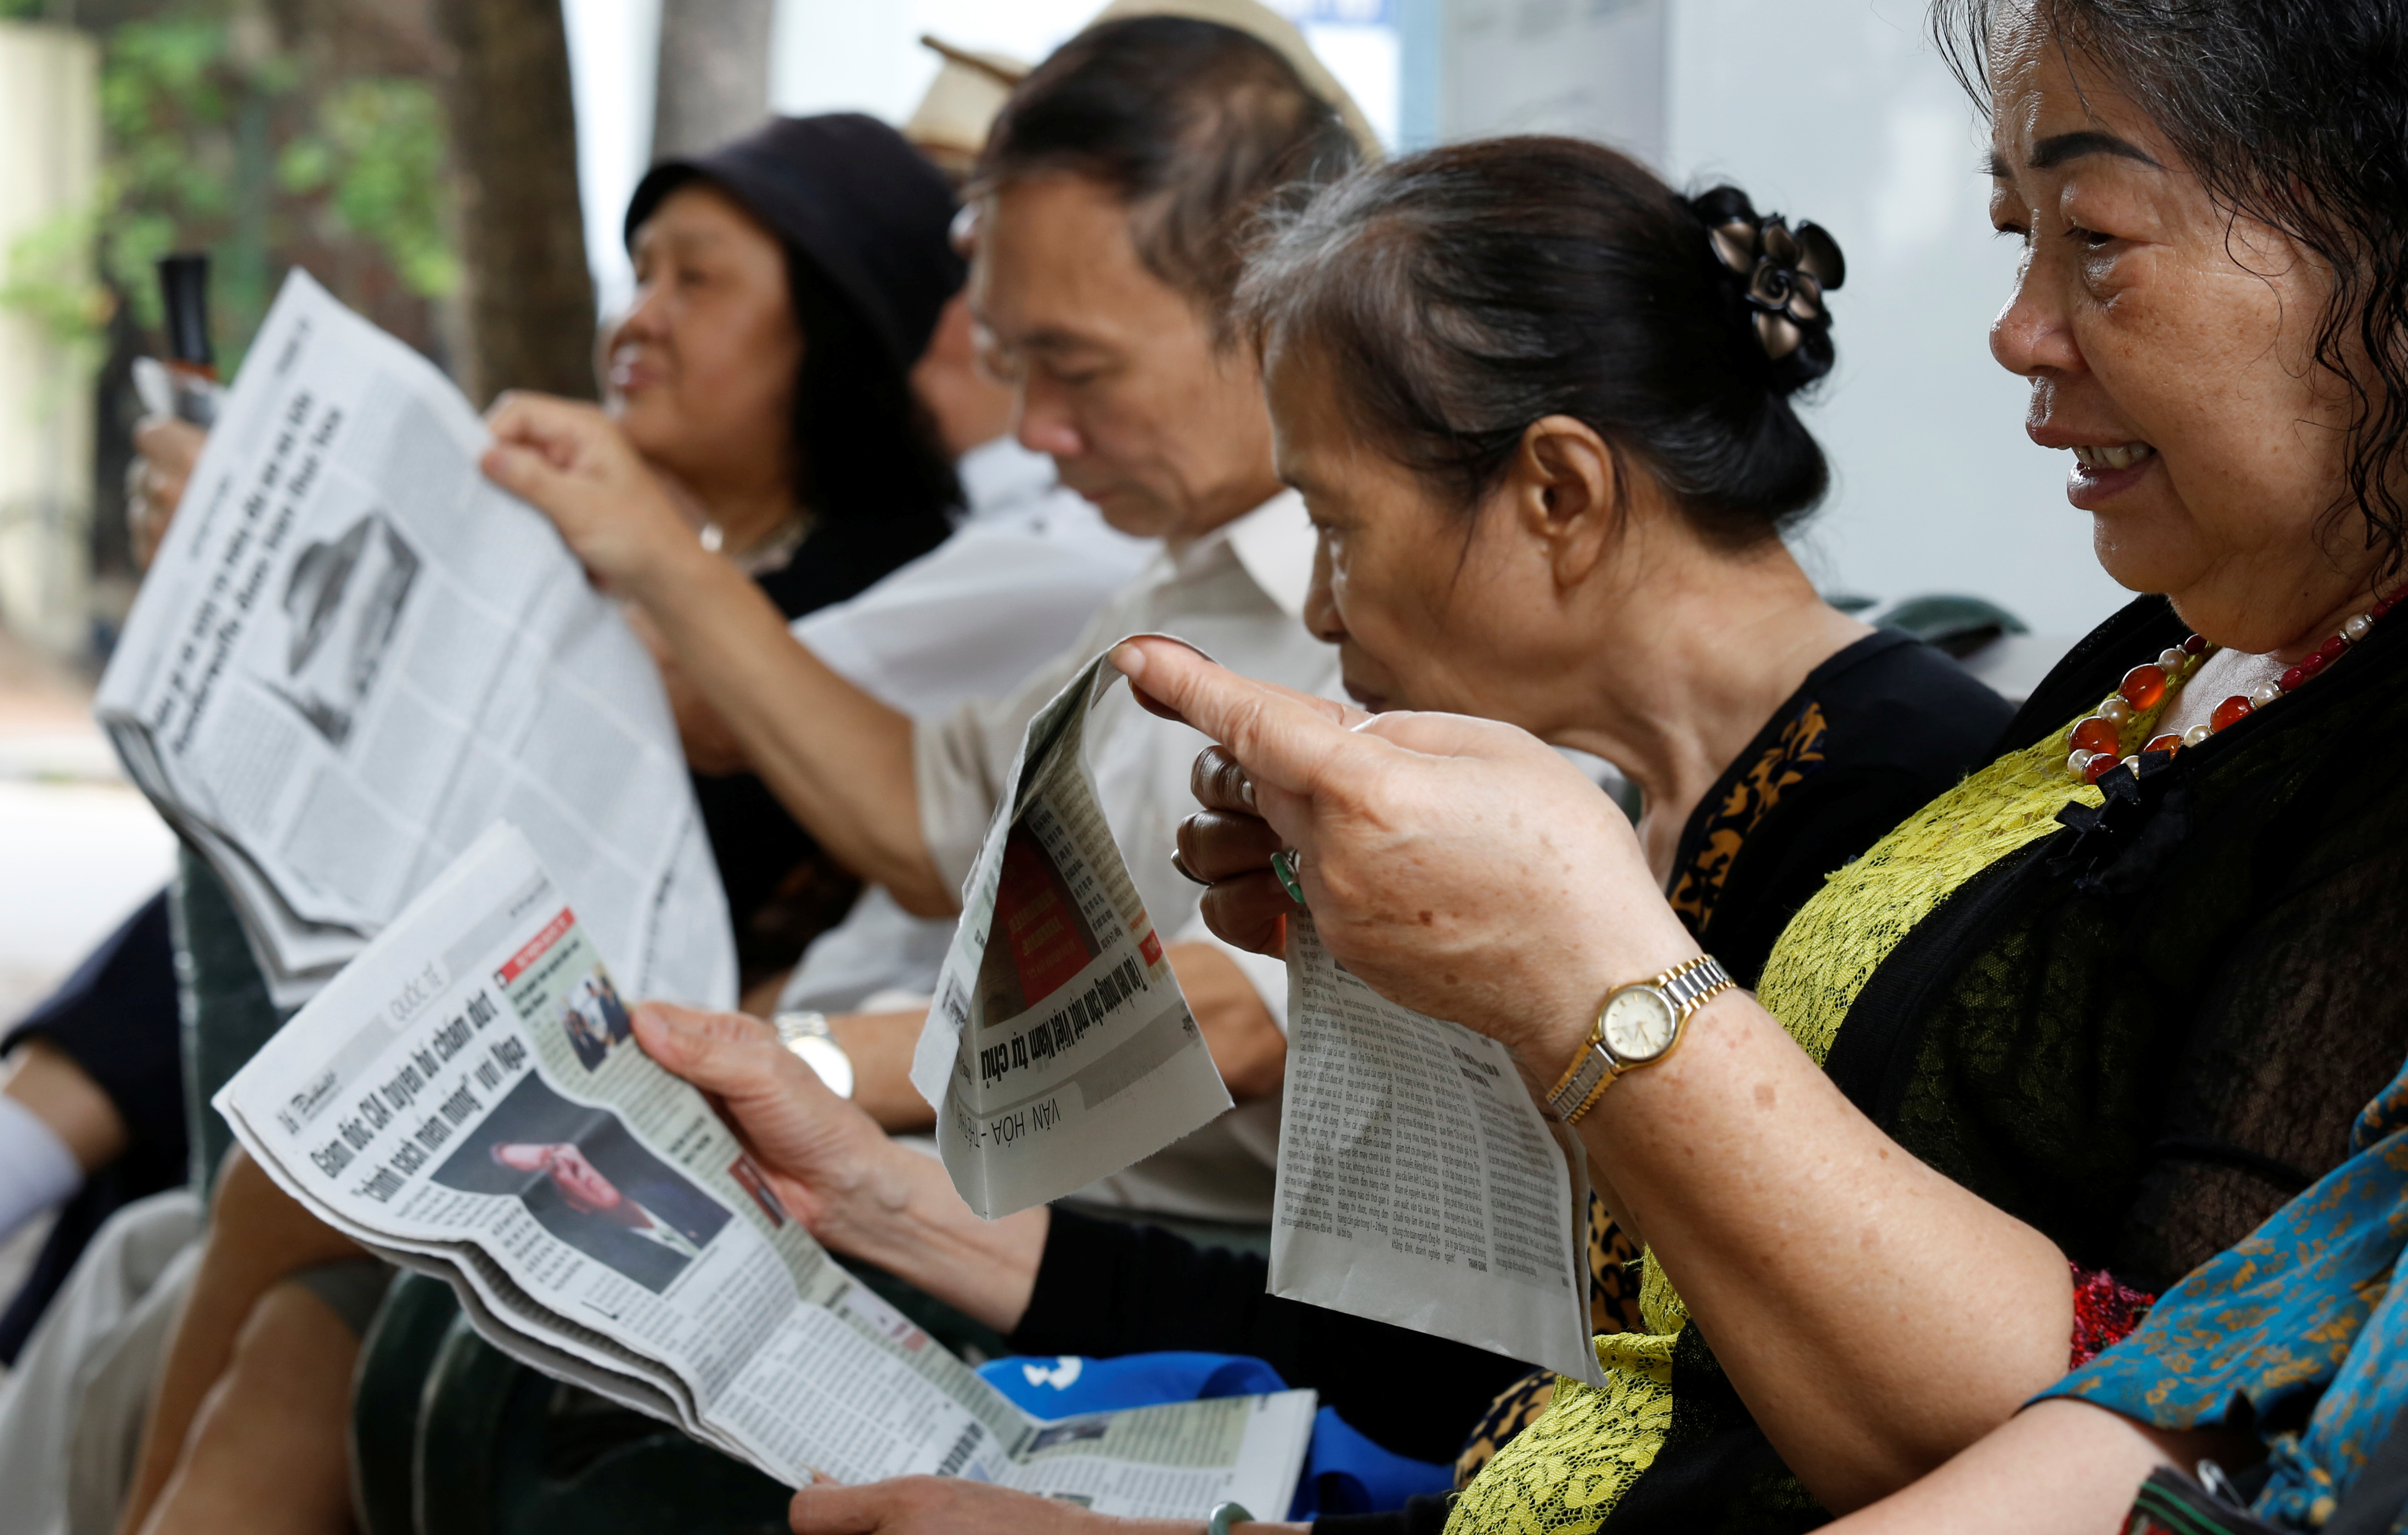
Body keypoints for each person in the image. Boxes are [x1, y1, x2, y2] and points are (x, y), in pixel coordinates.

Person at [751, 0, 2408, 1525]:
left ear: (1557, 494)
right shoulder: (2156, 671)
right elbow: (1601, 1368)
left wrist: (1573, 978)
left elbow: (2116, 1444)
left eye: (2097, 241)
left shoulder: (1907, 773)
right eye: (2012, 234)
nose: (2014, 333)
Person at [617, 133, 2020, 1491]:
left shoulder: (1904, 808)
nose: (1315, 608)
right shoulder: (1613, 808)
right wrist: (871, 1195)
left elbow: (1776, 1440)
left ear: (1558, 492)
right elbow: (1436, 1368)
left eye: (1336, 528)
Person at [484, 13, 1367, 1227]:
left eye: (1080, 368)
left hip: (1157, 1286)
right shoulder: (1176, 586)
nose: (1041, 432)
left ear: (1272, 306)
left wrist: (790, 1060)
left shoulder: (1388, 606)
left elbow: (1239, 1011)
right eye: (1015, 364)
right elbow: (931, 817)